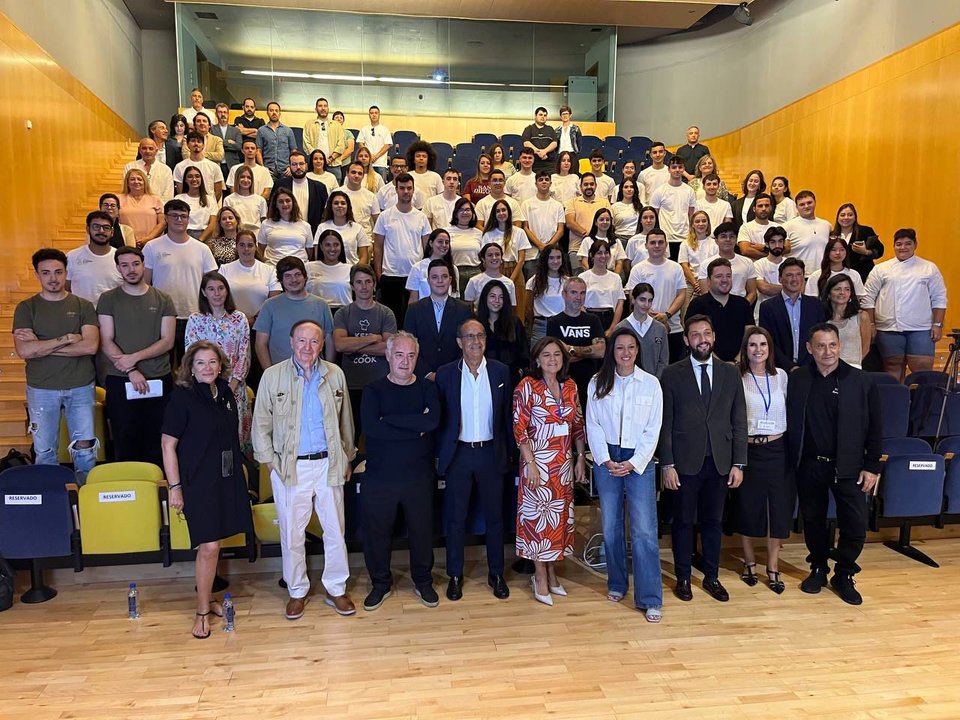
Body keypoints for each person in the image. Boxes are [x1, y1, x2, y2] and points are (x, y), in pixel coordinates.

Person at [252, 320, 356, 619]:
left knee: (335, 530)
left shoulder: (334, 375)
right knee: (292, 533)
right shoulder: (272, 376)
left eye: (314, 341)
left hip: (328, 464)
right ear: (291, 341)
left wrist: (347, 457)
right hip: (289, 468)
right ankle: (297, 591)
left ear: (322, 344)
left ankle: (336, 588)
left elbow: (345, 420)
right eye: (301, 341)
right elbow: (261, 423)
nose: (307, 347)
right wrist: (271, 462)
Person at [162, 341, 254, 638]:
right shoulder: (182, 398)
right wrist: (175, 488)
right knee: (209, 546)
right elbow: (168, 445)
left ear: (220, 365)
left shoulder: (226, 393)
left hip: (226, 478)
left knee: (215, 545)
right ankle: (201, 612)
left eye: (212, 362)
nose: (207, 368)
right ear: (190, 367)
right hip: (196, 481)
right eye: (200, 363)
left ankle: (209, 598)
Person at [788, 323, 881, 605]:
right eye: (820, 346)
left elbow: (876, 427)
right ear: (809, 348)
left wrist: (872, 465)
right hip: (810, 466)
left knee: (855, 525)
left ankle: (844, 573)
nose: (827, 351)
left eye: (832, 345)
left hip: (850, 467)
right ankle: (818, 568)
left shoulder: (861, 381)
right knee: (813, 522)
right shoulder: (798, 379)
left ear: (839, 346)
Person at [659, 314, 747, 603]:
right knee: (683, 521)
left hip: (720, 461)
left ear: (714, 337)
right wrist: (668, 464)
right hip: (684, 462)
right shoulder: (672, 373)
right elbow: (666, 422)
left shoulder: (730, 372)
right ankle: (683, 576)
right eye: (695, 335)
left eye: (707, 333)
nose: (702, 339)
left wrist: (739, 462)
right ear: (686, 340)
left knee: (713, 521)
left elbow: (739, 420)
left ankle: (711, 576)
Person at [586, 326, 663, 620]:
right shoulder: (597, 382)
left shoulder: (651, 384)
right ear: (611, 351)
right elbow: (592, 424)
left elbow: (652, 428)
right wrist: (605, 460)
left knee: (643, 530)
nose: (626, 353)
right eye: (620, 348)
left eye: (631, 347)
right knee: (612, 527)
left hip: (638, 460)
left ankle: (650, 597)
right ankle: (617, 582)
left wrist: (634, 462)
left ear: (638, 350)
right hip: (607, 459)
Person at [360, 332, 441, 610]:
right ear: (388, 355)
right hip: (380, 477)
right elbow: (372, 428)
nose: (405, 361)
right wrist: (414, 428)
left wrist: (390, 421)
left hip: (419, 476)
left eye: (411, 355)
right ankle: (380, 584)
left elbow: (432, 422)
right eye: (399, 355)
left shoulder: (428, 389)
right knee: (377, 533)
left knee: (421, 532)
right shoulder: (373, 391)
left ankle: (423, 581)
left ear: (417, 357)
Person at [435, 319, 513, 601]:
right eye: (469, 336)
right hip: (459, 455)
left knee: (495, 517)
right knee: (455, 519)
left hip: (491, 453)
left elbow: (507, 417)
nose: (475, 341)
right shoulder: (446, 374)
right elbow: (441, 419)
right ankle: (455, 574)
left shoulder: (501, 371)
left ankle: (496, 573)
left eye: (480, 335)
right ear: (459, 342)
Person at [13, 249, 100, 479]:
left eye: (58, 272)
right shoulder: (26, 307)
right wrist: (67, 339)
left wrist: (42, 347)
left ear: (66, 272)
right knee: (44, 451)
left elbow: (90, 347)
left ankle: (85, 497)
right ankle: (51, 500)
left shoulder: (83, 306)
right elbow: (24, 350)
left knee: (85, 449)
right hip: (41, 389)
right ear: (37, 275)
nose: (53, 278)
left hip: (81, 385)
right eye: (46, 273)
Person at [513, 337, 586, 605]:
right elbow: (519, 429)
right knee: (537, 522)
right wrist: (530, 463)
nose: (552, 359)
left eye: (557, 354)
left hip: (563, 464)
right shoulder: (527, 387)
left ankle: (553, 571)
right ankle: (539, 574)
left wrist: (580, 458)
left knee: (558, 521)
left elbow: (577, 424)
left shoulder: (570, 386)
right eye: (546, 355)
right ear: (537, 359)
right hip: (537, 464)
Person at [98, 246, 176, 466]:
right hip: (121, 379)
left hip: (158, 378)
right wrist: (131, 370)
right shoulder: (108, 299)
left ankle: (159, 491)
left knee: (158, 438)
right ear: (118, 268)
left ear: (143, 265)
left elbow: (167, 341)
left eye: (135, 264)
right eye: (124, 265)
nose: (131, 269)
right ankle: (131, 490)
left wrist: (134, 358)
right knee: (125, 438)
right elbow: (106, 340)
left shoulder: (162, 299)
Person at [732, 327, 792, 594]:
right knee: (748, 506)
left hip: (777, 449)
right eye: (753, 345)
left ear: (770, 348)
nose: (758, 350)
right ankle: (749, 562)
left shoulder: (781, 377)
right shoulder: (738, 377)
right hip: (749, 451)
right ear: (746, 349)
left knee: (776, 510)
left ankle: (773, 566)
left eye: (763, 345)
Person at [862, 228, 947, 378]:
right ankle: (896, 401)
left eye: (908, 244)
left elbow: (939, 298)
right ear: (894, 246)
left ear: (915, 245)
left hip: (921, 329)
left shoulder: (929, 268)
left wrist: (937, 324)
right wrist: (871, 325)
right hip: (888, 328)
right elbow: (868, 298)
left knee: (922, 369)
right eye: (899, 244)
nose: (903, 247)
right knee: (892, 368)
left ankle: (920, 401)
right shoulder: (880, 269)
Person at [143, 199, 218, 363]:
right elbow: (145, 285)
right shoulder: (151, 247)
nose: (179, 220)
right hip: (162, 316)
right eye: (174, 215)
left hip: (195, 315)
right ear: (166, 219)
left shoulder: (202, 249)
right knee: (164, 365)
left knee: (193, 366)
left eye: (183, 216)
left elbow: (213, 284)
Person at [185, 271, 252, 453]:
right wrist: (210, 390)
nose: (217, 293)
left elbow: (244, 355)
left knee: (234, 440)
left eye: (221, 288)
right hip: (203, 390)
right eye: (211, 289)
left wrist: (230, 388)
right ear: (204, 292)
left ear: (227, 291)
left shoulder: (239, 319)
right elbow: (190, 356)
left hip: (234, 388)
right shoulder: (195, 320)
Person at [332, 265, 396, 437]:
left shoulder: (386, 313)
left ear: (374, 284)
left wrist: (353, 344)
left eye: (368, 282)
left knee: (380, 434)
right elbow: (339, 345)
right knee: (352, 434)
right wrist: (372, 338)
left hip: (380, 382)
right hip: (352, 383)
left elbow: (388, 348)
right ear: (352, 286)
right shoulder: (342, 314)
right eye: (359, 282)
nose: (364, 286)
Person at [254, 256, 335, 368]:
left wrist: (329, 369)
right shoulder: (269, 306)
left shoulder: (321, 305)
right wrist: (269, 374)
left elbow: (329, 340)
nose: (294, 280)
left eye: (297, 274)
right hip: (280, 375)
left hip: (315, 374)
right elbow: (260, 344)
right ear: (281, 280)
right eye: (288, 276)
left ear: (305, 277)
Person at [372, 173, 432, 324]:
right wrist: (379, 274)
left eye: (409, 188)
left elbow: (427, 249)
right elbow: (378, 247)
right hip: (390, 276)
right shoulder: (385, 216)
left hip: (415, 276)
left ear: (413, 190)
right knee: (391, 321)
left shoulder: (421, 217)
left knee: (413, 320)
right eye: (402, 188)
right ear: (396, 190)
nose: (406, 191)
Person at [403, 260, 473, 380]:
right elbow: (408, 345)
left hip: (456, 377)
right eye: (435, 277)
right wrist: (427, 373)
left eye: (444, 277)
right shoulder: (414, 310)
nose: (440, 281)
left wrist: (451, 372)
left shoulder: (464, 309)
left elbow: (468, 344)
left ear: (450, 280)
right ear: (428, 280)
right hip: (422, 378)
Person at [546, 276, 606, 416]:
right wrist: (587, 352)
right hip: (563, 383)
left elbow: (601, 351)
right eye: (573, 292)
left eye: (582, 293)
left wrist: (570, 349)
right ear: (564, 294)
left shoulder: (593, 320)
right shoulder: (554, 322)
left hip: (589, 383)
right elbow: (557, 356)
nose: (578, 297)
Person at [625, 229, 687, 362]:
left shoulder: (676, 268)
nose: (657, 246)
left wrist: (667, 315)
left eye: (660, 242)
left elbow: (681, 294)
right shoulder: (638, 269)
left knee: (671, 370)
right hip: (644, 328)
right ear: (646, 245)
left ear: (666, 245)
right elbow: (633, 297)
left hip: (673, 328)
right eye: (653, 242)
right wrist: (653, 318)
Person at [759, 258, 826, 370]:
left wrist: (806, 367)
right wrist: (790, 367)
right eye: (789, 275)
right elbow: (768, 341)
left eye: (798, 274)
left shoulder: (815, 305)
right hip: (779, 369)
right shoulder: (767, 307)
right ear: (780, 279)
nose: (794, 279)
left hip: (812, 369)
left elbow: (820, 338)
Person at [687, 258, 754, 362]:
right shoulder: (697, 305)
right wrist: (721, 365)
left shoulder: (743, 304)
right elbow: (694, 339)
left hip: (740, 365)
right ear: (708, 281)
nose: (724, 280)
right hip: (708, 364)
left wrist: (737, 362)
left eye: (728, 276)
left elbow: (750, 336)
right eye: (719, 276)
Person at [476, 279, 529, 387]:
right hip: (482, 379)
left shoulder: (515, 323)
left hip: (510, 379)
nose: (497, 300)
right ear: (485, 298)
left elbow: (524, 352)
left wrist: (520, 371)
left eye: (501, 297)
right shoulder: (475, 323)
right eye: (492, 296)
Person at [65, 211, 122, 306]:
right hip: (82, 316)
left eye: (106, 228)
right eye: (96, 227)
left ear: (112, 232)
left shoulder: (121, 258)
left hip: (114, 315)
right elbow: (66, 289)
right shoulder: (72, 257)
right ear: (88, 229)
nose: (101, 231)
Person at [615, 283, 668, 378]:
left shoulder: (660, 329)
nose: (646, 304)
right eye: (642, 300)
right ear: (633, 300)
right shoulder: (621, 328)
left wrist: (656, 382)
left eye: (650, 300)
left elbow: (663, 361)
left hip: (654, 385)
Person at [521, 170, 566, 280]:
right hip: (532, 254)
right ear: (536, 183)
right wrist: (540, 245)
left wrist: (548, 247)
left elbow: (560, 230)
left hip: (553, 254)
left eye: (547, 179)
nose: (544, 182)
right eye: (541, 180)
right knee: (531, 288)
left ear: (551, 183)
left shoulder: (558, 206)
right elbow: (525, 228)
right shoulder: (526, 204)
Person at [699, 222, 758, 304]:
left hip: (741, 307)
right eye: (723, 236)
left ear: (736, 239)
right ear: (716, 240)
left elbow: (752, 293)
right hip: (714, 309)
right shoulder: (706, 264)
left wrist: (742, 308)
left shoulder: (747, 262)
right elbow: (705, 293)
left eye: (732, 236)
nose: (728, 239)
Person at [650, 156, 696, 260]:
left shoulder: (689, 191)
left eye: (680, 167)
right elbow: (654, 216)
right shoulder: (660, 191)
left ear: (684, 169)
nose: (677, 170)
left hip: (685, 237)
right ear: (669, 169)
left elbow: (691, 215)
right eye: (674, 167)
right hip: (666, 237)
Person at [273, 150, 330, 236]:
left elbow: (325, 213)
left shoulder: (319, 187)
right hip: (285, 232)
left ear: (306, 165)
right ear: (290, 166)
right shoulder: (280, 185)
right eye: (294, 164)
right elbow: (273, 208)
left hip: (312, 233)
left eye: (301, 164)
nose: (298, 167)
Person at [821, 274, 871, 368]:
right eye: (837, 289)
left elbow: (865, 348)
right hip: (826, 368)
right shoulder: (820, 318)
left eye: (847, 289)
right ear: (828, 293)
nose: (842, 292)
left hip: (853, 369)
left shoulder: (861, 316)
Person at [565, 173, 611, 269]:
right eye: (585, 184)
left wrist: (594, 240)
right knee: (578, 280)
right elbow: (570, 223)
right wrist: (590, 236)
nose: (589, 187)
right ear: (580, 187)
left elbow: (609, 222)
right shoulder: (572, 202)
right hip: (576, 248)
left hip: (600, 249)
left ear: (596, 186)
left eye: (591, 184)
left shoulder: (604, 202)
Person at [526, 247, 571, 346]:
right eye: (551, 258)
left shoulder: (568, 281)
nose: (555, 261)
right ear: (545, 260)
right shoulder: (533, 281)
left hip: (563, 325)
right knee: (538, 357)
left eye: (558, 257)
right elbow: (528, 308)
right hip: (541, 326)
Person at [257, 187, 314, 265]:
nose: (285, 204)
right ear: (275, 204)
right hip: (273, 268)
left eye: (288, 201)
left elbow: (309, 252)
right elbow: (260, 250)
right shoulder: (266, 224)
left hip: (299, 269)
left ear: (293, 202)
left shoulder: (305, 226)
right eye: (280, 201)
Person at [579, 240, 624, 335]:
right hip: (589, 316)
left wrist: (612, 327)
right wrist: (587, 321)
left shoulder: (616, 277)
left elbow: (620, 303)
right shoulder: (583, 277)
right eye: (599, 253)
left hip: (610, 318)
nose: (603, 256)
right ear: (592, 255)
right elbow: (579, 302)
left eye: (606, 253)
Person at [480, 199, 529, 286]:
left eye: (504, 210)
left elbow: (521, 260)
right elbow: (485, 259)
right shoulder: (488, 235)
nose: (501, 213)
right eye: (498, 211)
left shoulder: (519, 232)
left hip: (516, 272)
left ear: (509, 212)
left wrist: (511, 280)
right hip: (495, 272)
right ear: (494, 215)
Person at [316, 190, 370, 266]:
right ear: (330, 206)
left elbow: (364, 256)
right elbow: (317, 255)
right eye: (336, 203)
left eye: (343, 203)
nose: (340, 205)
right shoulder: (322, 227)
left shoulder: (358, 228)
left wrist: (355, 272)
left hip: (351, 272)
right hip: (327, 272)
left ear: (348, 206)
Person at [784, 190, 832, 275]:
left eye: (809, 202)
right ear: (797, 207)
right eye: (802, 204)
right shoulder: (787, 227)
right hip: (799, 277)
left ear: (815, 202)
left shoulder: (827, 225)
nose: (806, 206)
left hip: (823, 275)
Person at [834, 203, 883, 283]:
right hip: (839, 276)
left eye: (850, 215)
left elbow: (880, 250)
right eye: (842, 215)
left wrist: (866, 252)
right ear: (838, 217)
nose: (846, 218)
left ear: (855, 217)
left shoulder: (866, 231)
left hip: (863, 275)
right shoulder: (832, 235)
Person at [407, 229, 460, 302]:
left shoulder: (453, 269)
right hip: (424, 311)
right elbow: (413, 299)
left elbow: (455, 297)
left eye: (447, 242)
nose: (444, 245)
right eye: (440, 242)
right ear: (431, 243)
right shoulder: (417, 268)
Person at [305, 229, 352, 312]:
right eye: (327, 245)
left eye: (336, 245)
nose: (332, 248)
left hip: (344, 313)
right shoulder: (308, 267)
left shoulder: (350, 269)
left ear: (341, 246)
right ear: (321, 246)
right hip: (315, 312)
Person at [303, 97, 348, 182]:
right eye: (320, 106)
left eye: (325, 106)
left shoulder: (337, 125)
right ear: (316, 109)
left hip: (334, 165)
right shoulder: (309, 124)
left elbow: (341, 144)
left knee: (334, 193)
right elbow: (306, 143)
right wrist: (318, 158)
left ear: (328, 108)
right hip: (315, 165)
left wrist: (331, 159)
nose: (323, 108)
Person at [678, 210, 718, 303]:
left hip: (710, 282)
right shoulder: (685, 244)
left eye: (704, 221)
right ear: (692, 224)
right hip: (690, 282)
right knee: (687, 312)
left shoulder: (715, 243)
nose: (701, 224)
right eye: (697, 221)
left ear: (708, 223)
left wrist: (704, 284)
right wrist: (696, 284)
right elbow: (684, 265)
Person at [118, 168, 165, 245]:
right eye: (132, 179)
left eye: (139, 179)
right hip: (125, 243)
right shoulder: (118, 199)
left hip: (151, 243)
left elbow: (162, 223)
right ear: (127, 183)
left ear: (145, 182)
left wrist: (148, 238)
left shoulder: (156, 199)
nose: (136, 182)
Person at [447, 197, 483, 295]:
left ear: (473, 213)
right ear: (455, 213)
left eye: (468, 210)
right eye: (461, 210)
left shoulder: (479, 233)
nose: (465, 213)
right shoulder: (446, 232)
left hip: (475, 273)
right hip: (454, 273)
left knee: (475, 306)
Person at [174, 131, 224, 201]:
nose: (196, 144)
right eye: (193, 141)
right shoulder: (179, 167)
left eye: (199, 141)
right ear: (188, 145)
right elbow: (180, 191)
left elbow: (218, 191)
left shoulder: (214, 166)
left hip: (209, 206)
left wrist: (210, 204)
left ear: (203, 145)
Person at [463, 242, 516, 307]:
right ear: (483, 259)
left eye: (497, 254)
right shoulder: (474, 281)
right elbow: (468, 307)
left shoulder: (509, 283)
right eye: (490, 255)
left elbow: (511, 308)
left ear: (501, 258)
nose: (494, 258)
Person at [256, 101, 298, 182]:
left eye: (276, 110)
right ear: (267, 113)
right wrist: (263, 168)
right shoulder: (261, 130)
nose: (274, 113)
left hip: (285, 170)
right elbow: (258, 151)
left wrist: (291, 166)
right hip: (269, 170)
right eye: (271, 110)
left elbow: (294, 150)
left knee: (286, 193)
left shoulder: (288, 130)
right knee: (270, 193)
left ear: (279, 113)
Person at [754, 226, 788, 321]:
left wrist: (771, 287)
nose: (777, 245)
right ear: (767, 244)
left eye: (780, 241)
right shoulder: (758, 264)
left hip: (787, 312)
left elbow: (799, 290)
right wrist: (788, 288)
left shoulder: (791, 263)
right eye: (773, 242)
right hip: (765, 312)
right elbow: (763, 288)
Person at [578, 207, 627, 274]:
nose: (605, 222)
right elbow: (584, 262)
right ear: (595, 222)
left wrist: (614, 277)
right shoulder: (587, 241)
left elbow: (619, 262)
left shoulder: (616, 241)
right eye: (601, 220)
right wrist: (594, 275)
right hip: (592, 274)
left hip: (611, 275)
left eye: (607, 220)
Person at [174, 166, 217, 240]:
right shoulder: (178, 199)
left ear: (201, 179)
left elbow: (212, 225)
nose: (194, 179)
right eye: (190, 176)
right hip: (183, 236)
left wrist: (200, 240)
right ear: (185, 180)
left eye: (197, 176)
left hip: (205, 237)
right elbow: (174, 222)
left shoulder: (210, 200)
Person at [126, 136, 175, 201]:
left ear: (156, 150)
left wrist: (157, 207)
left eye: (151, 148)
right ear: (139, 150)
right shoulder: (130, 167)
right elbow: (126, 190)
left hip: (159, 208)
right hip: (134, 206)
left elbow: (168, 195)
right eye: (144, 148)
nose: (147, 151)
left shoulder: (166, 170)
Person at [339, 161, 380, 238]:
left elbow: (378, 224)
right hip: (341, 239)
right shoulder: (336, 194)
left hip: (365, 240)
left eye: (360, 173)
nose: (356, 175)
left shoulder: (371, 196)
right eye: (353, 172)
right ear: (347, 174)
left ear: (363, 176)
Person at [736, 193, 781, 260]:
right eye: (760, 206)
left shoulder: (778, 227)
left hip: (776, 268)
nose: (763, 209)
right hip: (753, 268)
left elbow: (786, 248)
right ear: (754, 209)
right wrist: (771, 256)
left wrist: (764, 248)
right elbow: (745, 250)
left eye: (766, 205)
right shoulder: (745, 227)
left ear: (771, 208)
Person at [223, 165, 268, 231]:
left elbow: (264, 222)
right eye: (242, 177)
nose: (246, 180)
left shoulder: (260, 200)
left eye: (249, 177)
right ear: (237, 179)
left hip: (256, 236)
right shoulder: (228, 200)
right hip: (236, 235)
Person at [357, 105, 393, 181]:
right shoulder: (364, 129)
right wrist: (369, 156)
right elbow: (360, 143)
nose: (374, 115)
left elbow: (387, 145)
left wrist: (376, 156)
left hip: (381, 163)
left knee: (381, 186)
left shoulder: (385, 129)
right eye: (371, 113)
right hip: (367, 163)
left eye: (376, 113)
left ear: (379, 115)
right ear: (369, 115)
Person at [521, 106, 558, 173]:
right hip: (534, 164)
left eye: (545, 115)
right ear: (535, 116)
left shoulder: (550, 129)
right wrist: (539, 153)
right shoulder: (529, 129)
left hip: (549, 164)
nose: (543, 117)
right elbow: (526, 143)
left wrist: (544, 151)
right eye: (540, 115)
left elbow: (554, 143)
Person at [210, 103, 242, 176]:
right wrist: (228, 142)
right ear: (216, 114)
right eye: (220, 112)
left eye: (225, 112)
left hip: (232, 164)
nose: (223, 114)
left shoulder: (236, 130)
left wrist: (219, 143)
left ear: (228, 114)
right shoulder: (212, 129)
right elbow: (212, 145)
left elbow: (238, 147)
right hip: (217, 164)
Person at [623, 206, 659, 271]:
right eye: (645, 218)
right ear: (640, 220)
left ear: (656, 219)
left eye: (652, 217)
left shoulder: (662, 238)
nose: (648, 220)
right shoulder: (633, 240)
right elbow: (627, 264)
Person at [331, 110, 356, 177]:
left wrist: (339, 159)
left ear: (343, 121)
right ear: (332, 120)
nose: (339, 119)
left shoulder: (348, 133)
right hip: (331, 163)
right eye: (336, 117)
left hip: (345, 163)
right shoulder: (329, 133)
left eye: (341, 118)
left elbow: (351, 148)